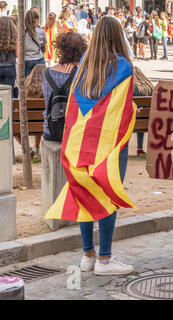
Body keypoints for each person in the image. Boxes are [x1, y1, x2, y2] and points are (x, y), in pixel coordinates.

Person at [45, 17, 136, 276]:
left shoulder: (84, 65)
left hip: (78, 142)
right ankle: (105, 260)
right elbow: (124, 109)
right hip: (109, 143)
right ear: (119, 36)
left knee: (82, 192)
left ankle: (88, 255)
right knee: (107, 194)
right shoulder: (123, 66)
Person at [42, 31, 86, 142]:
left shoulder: (46, 73)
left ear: (60, 50)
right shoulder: (83, 73)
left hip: (51, 131)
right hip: (75, 131)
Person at [133, 66, 153, 155]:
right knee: (142, 113)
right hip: (146, 121)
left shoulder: (132, 88)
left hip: (132, 121)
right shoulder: (150, 87)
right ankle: (139, 147)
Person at [25, 9, 46, 77]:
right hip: (39, 59)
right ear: (36, 20)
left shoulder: (23, 32)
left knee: (27, 82)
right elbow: (45, 44)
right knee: (40, 81)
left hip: (27, 59)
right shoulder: (41, 31)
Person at [0, 16, 18, 97]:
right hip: (10, 67)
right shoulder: (14, 38)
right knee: (9, 94)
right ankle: (8, 109)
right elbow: (18, 55)